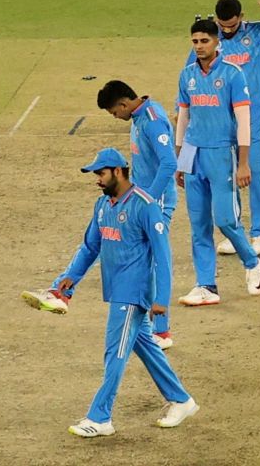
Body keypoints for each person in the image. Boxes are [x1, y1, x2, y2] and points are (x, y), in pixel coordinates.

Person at [26, 148, 198, 436]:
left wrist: (161, 301)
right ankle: (182, 400)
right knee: (145, 347)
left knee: (114, 354)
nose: (97, 180)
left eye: (101, 173)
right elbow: (91, 247)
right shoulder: (103, 205)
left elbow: (163, 256)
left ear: (118, 171)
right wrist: (71, 277)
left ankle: (100, 417)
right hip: (117, 290)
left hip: (134, 293)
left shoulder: (145, 206)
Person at [21, 81, 178, 350]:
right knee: (95, 242)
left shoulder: (151, 120)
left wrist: (147, 201)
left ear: (124, 104)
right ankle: (61, 292)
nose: (115, 118)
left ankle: (161, 333)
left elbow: (169, 163)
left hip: (152, 205)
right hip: (134, 199)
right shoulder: (140, 115)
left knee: (149, 260)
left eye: (114, 113)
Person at [185, 0, 260, 257]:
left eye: (232, 25)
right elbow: (191, 75)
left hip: (253, 119)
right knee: (227, 177)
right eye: (223, 26)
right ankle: (236, 232)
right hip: (221, 124)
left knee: (254, 173)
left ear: (242, 17)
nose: (228, 31)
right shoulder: (211, 39)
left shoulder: (257, 32)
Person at [175, 18, 260, 306]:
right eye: (195, 41)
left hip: (222, 155)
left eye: (204, 41)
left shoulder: (233, 75)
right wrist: (179, 158)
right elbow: (183, 117)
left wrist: (244, 162)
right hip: (193, 153)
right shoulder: (186, 75)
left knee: (226, 220)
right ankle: (206, 286)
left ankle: (251, 262)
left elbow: (243, 121)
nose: (199, 46)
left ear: (217, 42)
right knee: (198, 225)